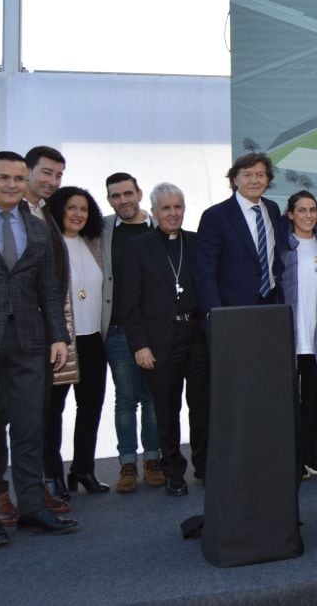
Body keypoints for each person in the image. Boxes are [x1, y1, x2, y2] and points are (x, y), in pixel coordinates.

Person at [0, 151, 77, 549]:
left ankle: (31, 507)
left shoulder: (39, 228)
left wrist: (59, 336)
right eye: (3, 177)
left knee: (29, 427)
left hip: (30, 342)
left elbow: (50, 287)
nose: (11, 185)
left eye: (17, 178)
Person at [123, 183, 210, 496]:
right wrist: (139, 345)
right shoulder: (139, 247)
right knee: (166, 408)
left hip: (197, 336)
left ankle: (205, 465)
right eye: (166, 208)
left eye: (178, 207)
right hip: (159, 340)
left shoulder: (197, 242)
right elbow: (129, 302)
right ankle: (173, 470)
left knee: (202, 406)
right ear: (155, 211)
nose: (173, 213)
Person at [44, 187, 109, 494]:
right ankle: (52, 475)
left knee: (91, 407)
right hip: (60, 341)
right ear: (59, 210)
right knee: (52, 411)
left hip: (93, 339)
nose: (78, 214)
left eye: (83, 208)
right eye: (71, 207)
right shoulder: (48, 244)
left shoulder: (94, 242)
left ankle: (83, 469)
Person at [101, 172, 163, 493]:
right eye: (115, 195)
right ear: (109, 199)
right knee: (125, 399)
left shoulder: (160, 227)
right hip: (117, 330)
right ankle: (127, 464)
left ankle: (153, 459)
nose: (123, 200)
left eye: (128, 193)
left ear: (139, 193)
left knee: (152, 398)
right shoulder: (102, 230)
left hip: (154, 330)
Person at [280, 191, 317, 478]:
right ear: (291, 214)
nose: (308, 215)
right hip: (288, 338)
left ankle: (310, 455)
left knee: (312, 401)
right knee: (287, 403)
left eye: (312, 210)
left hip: (315, 339)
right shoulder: (283, 248)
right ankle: (293, 459)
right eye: (301, 210)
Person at [196, 152, 286, 315]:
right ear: (234, 180)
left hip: (272, 302)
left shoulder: (272, 209)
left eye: (260, 175)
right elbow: (205, 270)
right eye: (247, 175)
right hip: (232, 308)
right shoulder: (215, 216)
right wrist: (215, 313)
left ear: (267, 179)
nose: (254, 180)